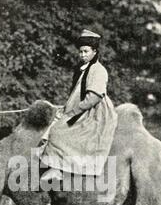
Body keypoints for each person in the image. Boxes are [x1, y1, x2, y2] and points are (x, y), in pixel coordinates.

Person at [40, 29, 118, 180]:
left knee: (59, 131)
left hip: (94, 113)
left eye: (86, 51)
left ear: (95, 52)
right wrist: (66, 108)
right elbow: (77, 94)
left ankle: (58, 169)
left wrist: (73, 112)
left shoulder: (98, 70)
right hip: (82, 108)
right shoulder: (83, 69)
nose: (83, 55)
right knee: (55, 123)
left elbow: (93, 97)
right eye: (81, 52)